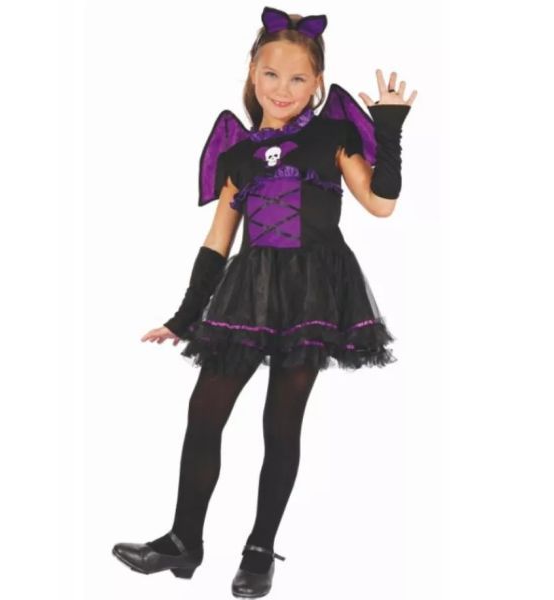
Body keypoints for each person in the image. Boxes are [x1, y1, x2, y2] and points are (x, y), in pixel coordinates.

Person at [112, 5, 417, 598]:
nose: (283, 88)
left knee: (281, 422)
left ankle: (258, 549)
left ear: (317, 83)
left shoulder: (332, 137)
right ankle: (183, 542)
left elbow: (381, 204)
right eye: (272, 74)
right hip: (247, 292)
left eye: (299, 78)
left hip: (314, 292)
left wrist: (389, 131)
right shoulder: (237, 154)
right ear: (253, 73)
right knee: (205, 412)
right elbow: (217, 242)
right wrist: (184, 317)